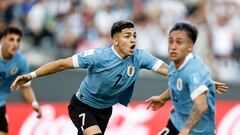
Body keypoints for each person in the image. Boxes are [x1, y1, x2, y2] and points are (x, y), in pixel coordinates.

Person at [10, 20, 227, 135]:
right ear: (115, 41)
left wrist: (202, 81)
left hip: (105, 110)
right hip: (82, 105)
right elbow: (62, 63)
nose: (133, 39)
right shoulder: (99, 56)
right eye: (127, 36)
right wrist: (30, 74)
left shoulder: (139, 56)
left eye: (134, 35)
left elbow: (166, 69)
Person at [145, 22, 222, 135]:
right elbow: (176, 86)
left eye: (179, 42)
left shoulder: (194, 71)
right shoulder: (173, 65)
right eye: (171, 41)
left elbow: (201, 105)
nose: (173, 46)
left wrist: (186, 130)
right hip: (177, 122)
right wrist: (162, 98)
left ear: (190, 46)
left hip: (199, 131)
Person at [0, 26, 42, 135]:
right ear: (3, 39)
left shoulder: (21, 62)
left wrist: (34, 103)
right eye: (11, 39)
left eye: (18, 40)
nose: (15, 43)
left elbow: (26, 87)